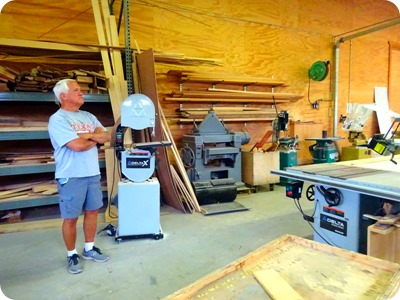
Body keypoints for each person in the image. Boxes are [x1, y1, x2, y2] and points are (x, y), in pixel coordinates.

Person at [48, 79, 111, 274]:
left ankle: (89, 249)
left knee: (92, 212)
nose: (81, 93)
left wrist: (85, 137)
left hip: (92, 173)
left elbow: (107, 136)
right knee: (71, 217)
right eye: (76, 90)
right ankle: (72, 254)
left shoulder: (88, 116)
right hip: (71, 175)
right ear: (63, 96)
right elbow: (76, 146)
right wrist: (94, 137)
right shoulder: (58, 119)